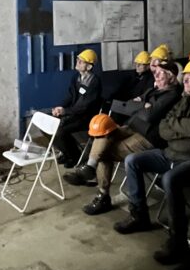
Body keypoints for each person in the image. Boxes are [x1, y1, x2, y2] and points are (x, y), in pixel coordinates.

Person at [114, 58, 190, 265]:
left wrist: (180, 128)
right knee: (133, 160)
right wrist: (182, 128)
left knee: (169, 180)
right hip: (172, 153)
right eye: (184, 78)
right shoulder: (185, 100)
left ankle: (178, 242)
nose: (185, 82)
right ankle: (139, 216)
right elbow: (163, 128)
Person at [65, 62, 182, 214]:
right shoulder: (155, 90)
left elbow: (149, 115)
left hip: (147, 137)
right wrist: (144, 105)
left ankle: (102, 196)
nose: (156, 75)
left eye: (161, 73)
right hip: (132, 127)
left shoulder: (172, 95)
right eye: (156, 72)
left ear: (172, 78)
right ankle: (90, 166)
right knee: (102, 131)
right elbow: (131, 104)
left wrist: (143, 106)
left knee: (105, 152)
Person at [50, 48, 103, 165]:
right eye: (78, 60)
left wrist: (65, 111)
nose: (77, 62)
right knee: (48, 123)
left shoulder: (94, 82)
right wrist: (60, 107)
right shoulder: (76, 77)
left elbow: (84, 106)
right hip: (73, 113)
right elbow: (70, 96)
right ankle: (66, 152)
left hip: (85, 117)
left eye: (81, 61)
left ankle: (74, 157)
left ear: (89, 67)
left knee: (61, 131)